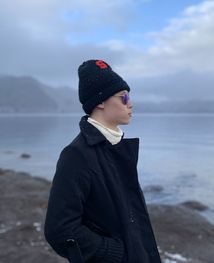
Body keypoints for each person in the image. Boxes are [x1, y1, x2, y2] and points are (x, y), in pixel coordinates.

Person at [44, 59, 162, 263]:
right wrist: (114, 252)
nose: (130, 103)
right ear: (100, 102)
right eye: (123, 97)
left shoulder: (116, 146)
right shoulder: (77, 155)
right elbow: (59, 229)